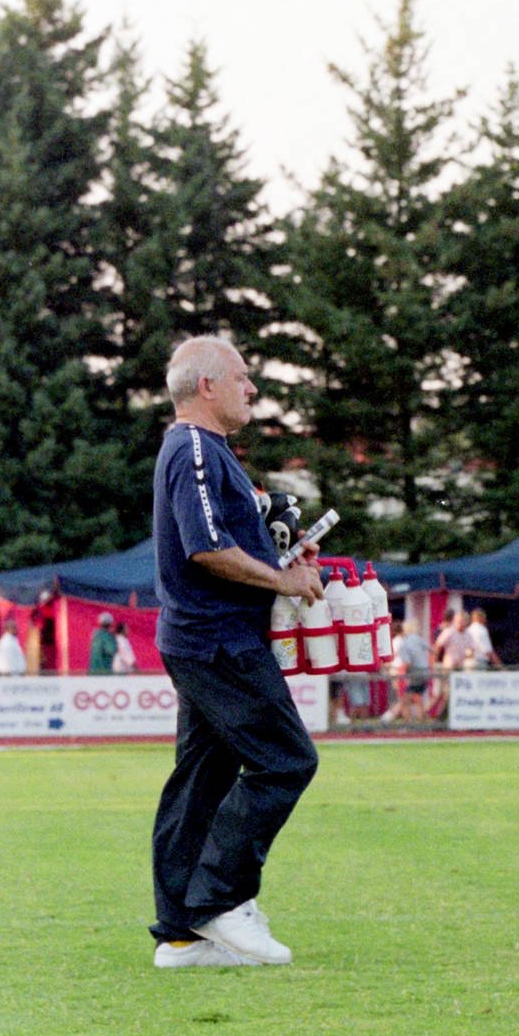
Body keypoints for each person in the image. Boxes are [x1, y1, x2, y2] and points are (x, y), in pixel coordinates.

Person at [148, 336, 326, 970]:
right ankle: (223, 900)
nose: (252, 388)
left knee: (200, 782)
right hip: (218, 640)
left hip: (202, 639)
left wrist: (282, 545)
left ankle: (180, 936)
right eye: (243, 377)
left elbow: (227, 534)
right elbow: (205, 547)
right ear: (207, 386)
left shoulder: (207, 450)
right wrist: (284, 581)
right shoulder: (195, 447)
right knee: (286, 761)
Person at [389, 616, 431, 722]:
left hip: (410, 673)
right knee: (417, 698)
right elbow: (432, 650)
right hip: (423, 672)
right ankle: (422, 721)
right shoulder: (417, 639)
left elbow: (406, 662)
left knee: (404, 700)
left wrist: (402, 673)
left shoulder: (404, 643)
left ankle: (408, 723)